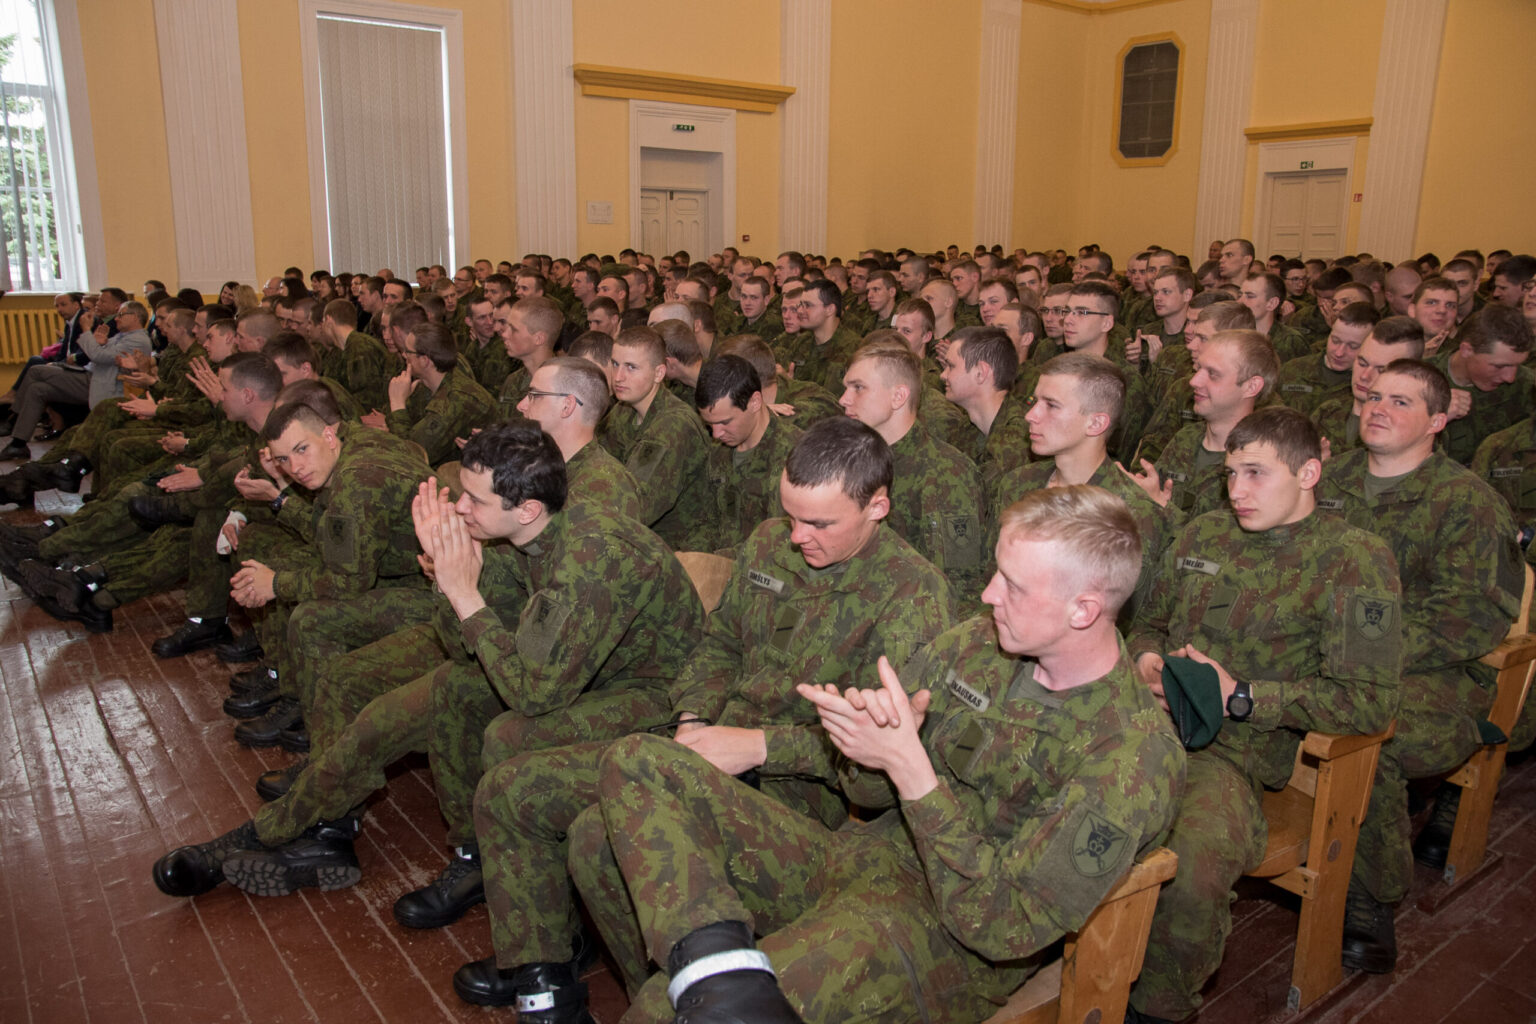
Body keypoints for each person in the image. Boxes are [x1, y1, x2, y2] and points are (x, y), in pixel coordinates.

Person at [578, 484, 1183, 1022]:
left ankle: (703, 994)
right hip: (860, 860)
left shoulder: (1132, 754)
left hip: (944, 939)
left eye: (1013, 585)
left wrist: (909, 766)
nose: (988, 593)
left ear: (1083, 610)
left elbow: (1004, 926)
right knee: (634, 762)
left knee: (658, 1012)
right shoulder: (978, 643)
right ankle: (715, 979)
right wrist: (863, 745)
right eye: (997, 572)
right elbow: (865, 794)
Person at [460, 417, 954, 1014]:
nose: (797, 537)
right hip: (704, 738)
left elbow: (875, 770)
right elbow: (719, 644)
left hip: (796, 791)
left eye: (819, 523)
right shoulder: (771, 540)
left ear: (878, 507)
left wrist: (760, 745)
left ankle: (677, 995)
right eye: (790, 515)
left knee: (596, 836)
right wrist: (694, 714)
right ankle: (546, 976)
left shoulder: (912, 595)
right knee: (510, 791)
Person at [149, 421, 704, 913]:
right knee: (406, 707)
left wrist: (464, 594)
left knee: (495, 724)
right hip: (568, 673)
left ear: (527, 507)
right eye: (462, 495)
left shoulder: (591, 554)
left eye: (474, 501)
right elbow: (469, 646)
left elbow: (533, 692)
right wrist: (450, 581)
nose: (462, 510)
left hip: (650, 697)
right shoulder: (522, 535)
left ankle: (489, 867)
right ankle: (293, 831)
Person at [1125, 406, 1403, 1024]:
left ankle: (1158, 1008)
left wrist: (1243, 696)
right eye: (1230, 474)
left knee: (1193, 867)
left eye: (1256, 473)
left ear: (1308, 472)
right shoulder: (1202, 535)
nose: (1237, 491)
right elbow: (1147, 621)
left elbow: (1368, 700)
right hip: (1140, 720)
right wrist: (1145, 657)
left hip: (1229, 752)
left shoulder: (1353, 559)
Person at [1316, 360, 1521, 972]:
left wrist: (1359, 658)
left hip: (1438, 677)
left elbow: (1469, 618)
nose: (1378, 407)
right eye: (1374, 395)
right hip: (1322, 653)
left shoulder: (1467, 502)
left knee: (1366, 727)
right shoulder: (1329, 479)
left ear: (1436, 420)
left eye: (1401, 402)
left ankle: (1367, 896)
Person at [989, 352, 1172, 622]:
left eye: (1051, 405)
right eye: (1034, 401)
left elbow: (1125, 623)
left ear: (1096, 423)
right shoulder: (1018, 484)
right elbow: (988, 577)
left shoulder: (1130, 512)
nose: (1030, 415)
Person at [599, 326, 713, 550]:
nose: (618, 377)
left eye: (631, 367)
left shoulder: (672, 426)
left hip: (679, 549)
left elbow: (635, 507)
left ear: (659, 373)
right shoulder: (624, 410)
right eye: (615, 364)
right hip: (642, 538)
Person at [694, 354, 801, 554]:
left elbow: (779, 542)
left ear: (754, 402)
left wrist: (716, 564)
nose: (716, 434)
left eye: (725, 422)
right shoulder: (719, 452)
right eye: (709, 425)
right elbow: (705, 521)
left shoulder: (793, 457)